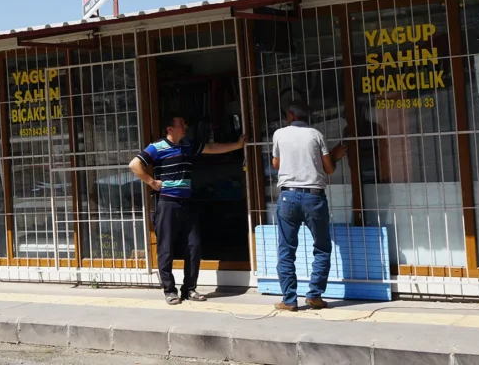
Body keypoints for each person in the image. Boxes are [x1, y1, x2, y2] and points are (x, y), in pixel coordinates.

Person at [129, 115, 245, 305]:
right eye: (181, 124)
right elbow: (134, 164)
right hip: (167, 203)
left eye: (185, 123)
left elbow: (211, 148)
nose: (185, 126)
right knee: (166, 248)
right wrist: (151, 182)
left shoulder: (188, 145)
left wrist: (237, 145)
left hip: (187, 203)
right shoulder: (157, 147)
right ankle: (169, 291)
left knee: (193, 246)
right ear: (170, 129)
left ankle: (189, 288)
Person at [272, 101, 347, 311]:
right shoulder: (316, 135)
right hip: (314, 197)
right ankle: (314, 295)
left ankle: (289, 299)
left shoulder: (279, 134)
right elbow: (329, 169)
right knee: (321, 247)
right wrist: (334, 156)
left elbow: (276, 164)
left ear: (291, 115)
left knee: (286, 250)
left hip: (288, 197)